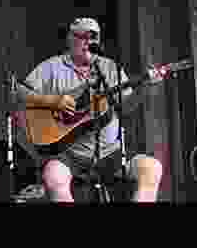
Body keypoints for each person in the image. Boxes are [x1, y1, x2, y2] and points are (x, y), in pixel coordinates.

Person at [17, 17, 166, 202]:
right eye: (83, 36)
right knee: (53, 177)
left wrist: (145, 87)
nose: (89, 42)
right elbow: (19, 92)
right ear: (70, 39)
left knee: (152, 168)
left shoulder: (110, 68)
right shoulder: (51, 67)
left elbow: (125, 107)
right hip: (68, 155)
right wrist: (52, 101)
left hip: (110, 153)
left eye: (94, 37)